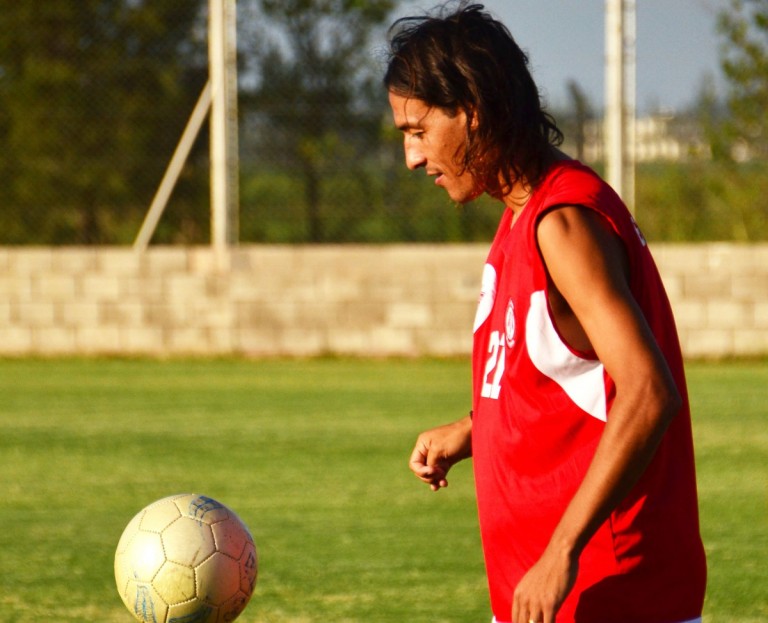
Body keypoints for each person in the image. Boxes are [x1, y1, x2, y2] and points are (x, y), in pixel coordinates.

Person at [383, 4, 707, 623]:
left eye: (417, 131)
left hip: (609, 594)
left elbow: (647, 391)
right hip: (558, 599)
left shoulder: (563, 223)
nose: (412, 157)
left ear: (472, 112)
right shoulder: (520, 220)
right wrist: (475, 429)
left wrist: (562, 552)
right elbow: (568, 382)